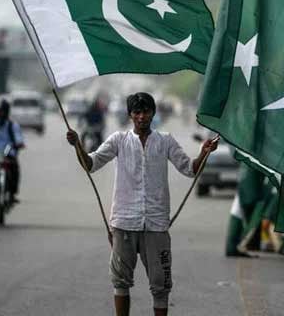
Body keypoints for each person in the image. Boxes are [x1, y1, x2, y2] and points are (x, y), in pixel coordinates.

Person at [66, 92, 218, 316]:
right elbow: (91, 164)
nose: (141, 116)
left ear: (153, 113)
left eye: (146, 111)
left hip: (156, 224)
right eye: (136, 112)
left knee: (161, 286)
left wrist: (204, 153)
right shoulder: (119, 140)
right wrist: (77, 144)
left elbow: (190, 169)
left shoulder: (165, 141)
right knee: (120, 282)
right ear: (130, 115)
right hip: (124, 222)